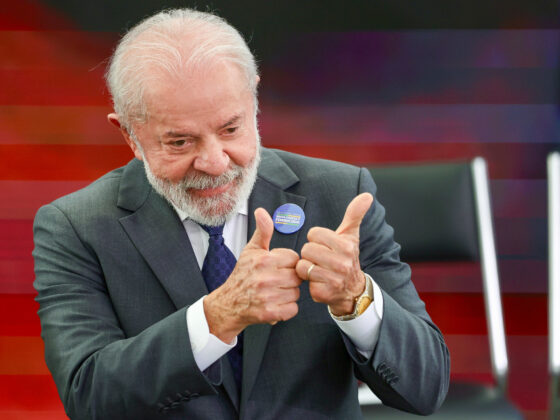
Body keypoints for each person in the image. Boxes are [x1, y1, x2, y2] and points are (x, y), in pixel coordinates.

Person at [32, 8, 449, 420]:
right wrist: (218, 317)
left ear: (254, 99)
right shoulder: (75, 227)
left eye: (231, 129)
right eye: (180, 142)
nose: (215, 163)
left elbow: (426, 388)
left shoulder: (341, 194)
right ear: (128, 134)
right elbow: (89, 398)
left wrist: (356, 298)